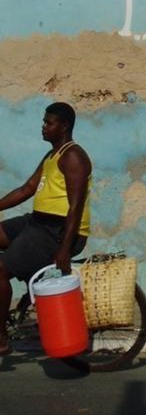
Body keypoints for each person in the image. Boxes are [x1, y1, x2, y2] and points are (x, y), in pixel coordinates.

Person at [0, 102, 92, 355]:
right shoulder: (52, 156)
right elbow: (26, 189)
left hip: (57, 230)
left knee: (1, 271)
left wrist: (64, 248)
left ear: (64, 126)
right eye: (44, 121)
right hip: (37, 222)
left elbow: (75, 207)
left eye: (48, 123)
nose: (43, 127)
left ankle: (1, 339)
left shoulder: (74, 156)